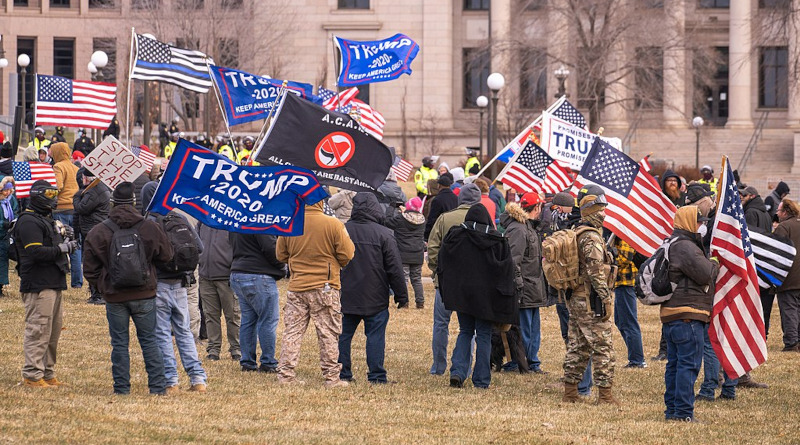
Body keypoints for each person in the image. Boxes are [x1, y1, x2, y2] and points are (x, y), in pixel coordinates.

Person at [82, 182, 173, 395]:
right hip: (145, 293)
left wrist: (104, 285)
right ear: (134, 202)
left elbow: (89, 269)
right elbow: (167, 256)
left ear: (112, 203)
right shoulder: (149, 227)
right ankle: (158, 387)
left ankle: (122, 388)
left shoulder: (99, 231)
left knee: (120, 343)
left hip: (114, 296)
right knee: (150, 340)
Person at [275, 199, 355, 387]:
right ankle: (331, 378)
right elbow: (348, 253)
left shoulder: (290, 223)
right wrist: (335, 264)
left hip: (297, 287)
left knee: (292, 332)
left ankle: (285, 375)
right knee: (328, 333)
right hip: (325, 286)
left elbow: (280, 255)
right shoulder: (333, 224)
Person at [439, 204, 516, 388]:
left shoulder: (456, 236)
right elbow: (507, 270)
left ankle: (458, 372)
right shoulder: (497, 240)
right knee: (483, 335)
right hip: (487, 298)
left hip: (463, 294)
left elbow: (443, 261)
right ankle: (481, 379)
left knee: (465, 331)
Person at [339, 193, 408, 384]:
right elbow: (395, 267)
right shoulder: (384, 234)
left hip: (346, 294)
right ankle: (376, 376)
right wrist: (402, 296)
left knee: (343, 336)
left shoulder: (342, 230)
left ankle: (342, 372)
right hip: (374, 295)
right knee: (375, 336)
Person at [15, 180, 76, 387]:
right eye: (49, 194)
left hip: (54, 281)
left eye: (54, 193)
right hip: (38, 284)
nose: (54, 198)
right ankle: (32, 375)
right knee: (38, 329)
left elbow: (52, 246)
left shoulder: (46, 220)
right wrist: (62, 249)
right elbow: (35, 251)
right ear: (38, 196)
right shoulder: (28, 221)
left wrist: (65, 239)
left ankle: (47, 372)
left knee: (53, 331)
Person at [661, 205, 719, 422]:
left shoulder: (672, 243)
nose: (702, 226)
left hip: (672, 313)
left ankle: (672, 411)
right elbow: (705, 274)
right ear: (688, 222)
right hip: (688, 313)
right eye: (699, 222)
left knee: (675, 364)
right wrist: (714, 263)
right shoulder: (685, 246)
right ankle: (683, 412)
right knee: (688, 365)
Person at [562, 190, 619, 405]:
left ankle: (570, 392)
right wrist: (605, 299)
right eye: (601, 209)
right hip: (590, 299)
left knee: (578, 345)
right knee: (603, 346)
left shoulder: (577, 232)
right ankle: (605, 396)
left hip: (577, 297)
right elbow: (596, 272)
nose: (604, 214)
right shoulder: (592, 237)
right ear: (592, 211)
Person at [426, 183, 482, 375]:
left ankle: (438, 366)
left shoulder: (445, 218)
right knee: (469, 328)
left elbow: (432, 249)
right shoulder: (484, 221)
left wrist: (437, 271)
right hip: (473, 283)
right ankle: (465, 367)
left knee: (441, 324)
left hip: (445, 281)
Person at [500, 192, 547, 373]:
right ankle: (521, 362)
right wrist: (519, 284)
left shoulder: (528, 227)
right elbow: (513, 260)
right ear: (536, 208)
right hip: (525, 287)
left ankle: (532, 361)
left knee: (533, 329)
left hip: (533, 286)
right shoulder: (519, 230)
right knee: (524, 329)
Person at [198, 223, 240, 362]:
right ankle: (213, 349)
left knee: (232, 315)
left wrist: (233, 269)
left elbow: (239, 248)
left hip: (226, 276)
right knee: (210, 315)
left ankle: (236, 349)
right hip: (205, 276)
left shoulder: (231, 220)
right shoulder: (203, 220)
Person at [72, 169, 111, 304]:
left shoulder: (95, 191)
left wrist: (76, 197)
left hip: (93, 230)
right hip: (94, 229)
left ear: (86, 178)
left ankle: (98, 294)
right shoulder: (96, 188)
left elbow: (82, 208)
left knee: (94, 262)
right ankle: (96, 292)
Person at [50, 142, 82, 290]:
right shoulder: (75, 167)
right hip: (75, 209)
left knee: (60, 244)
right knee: (75, 244)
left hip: (61, 209)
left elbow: (58, 186)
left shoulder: (58, 167)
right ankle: (77, 282)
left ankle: (58, 278)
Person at [386, 197, 426, 309]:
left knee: (404, 278)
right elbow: (412, 219)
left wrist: (391, 207)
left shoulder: (400, 219)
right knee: (416, 279)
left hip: (403, 253)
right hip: (418, 254)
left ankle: (404, 302)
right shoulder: (422, 220)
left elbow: (387, 221)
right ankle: (420, 302)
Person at [613, 237, 646, 369]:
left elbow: (626, 258)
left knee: (629, 322)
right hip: (620, 283)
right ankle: (635, 355)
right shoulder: (618, 235)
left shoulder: (625, 235)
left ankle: (637, 360)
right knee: (620, 321)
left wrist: (609, 258)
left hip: (626, 283)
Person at [774, 198, 800, 352]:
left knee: (790, 310)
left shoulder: (783, 227)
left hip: (789, 277)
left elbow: (776, 254)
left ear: (785, 212)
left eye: (778, 211)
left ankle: (791, 343)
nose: (777, 214)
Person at [0, 177, 19, 296]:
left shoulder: (11, 200)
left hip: (6, 235)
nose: (7, 193)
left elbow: (16, 211)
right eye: (5, 190)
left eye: (9, 190)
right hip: (1, 231)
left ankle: (1, 284)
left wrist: (14, 221)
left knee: (3, 261)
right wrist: (3, 224)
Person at [424, 176, 458, 240]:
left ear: (439, 186)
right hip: (454, 232)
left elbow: (432, 219)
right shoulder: (455, 198)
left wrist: (426, 236)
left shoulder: (437, 199)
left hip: (441, 232)